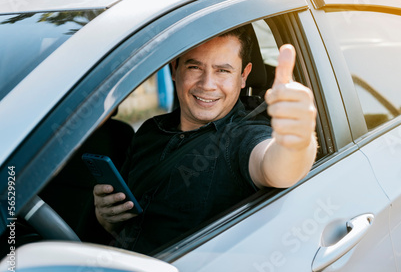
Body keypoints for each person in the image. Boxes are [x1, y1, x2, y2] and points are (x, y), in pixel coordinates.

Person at [93, 26, 317, 254]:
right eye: (194, 67)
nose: (207, 84)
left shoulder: (243, 137)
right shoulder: (149, 131)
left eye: (222, 71)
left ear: (243, 76)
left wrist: (296, 141)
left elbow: (275, 167)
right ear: (174, 69)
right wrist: (109, 221)